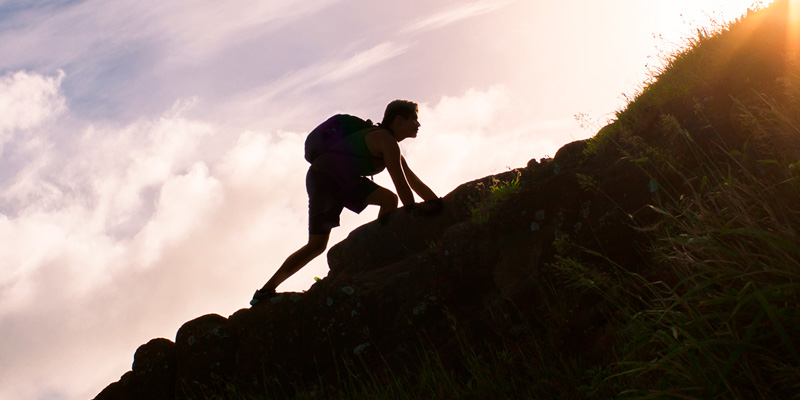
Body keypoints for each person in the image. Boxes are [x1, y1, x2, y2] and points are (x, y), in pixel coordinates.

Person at [251, 99, 441, 305]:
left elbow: (412, 181)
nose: (418, 124)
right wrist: (412, 210)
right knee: (319, 243)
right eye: (413, 119)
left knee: (318, 244)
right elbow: (400, 181)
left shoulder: (389, 144)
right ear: (399, 120)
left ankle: (264, 292)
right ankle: (266, 290)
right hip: (327, 177)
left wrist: (437, 202)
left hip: (327, 177)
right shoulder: (385, 140)